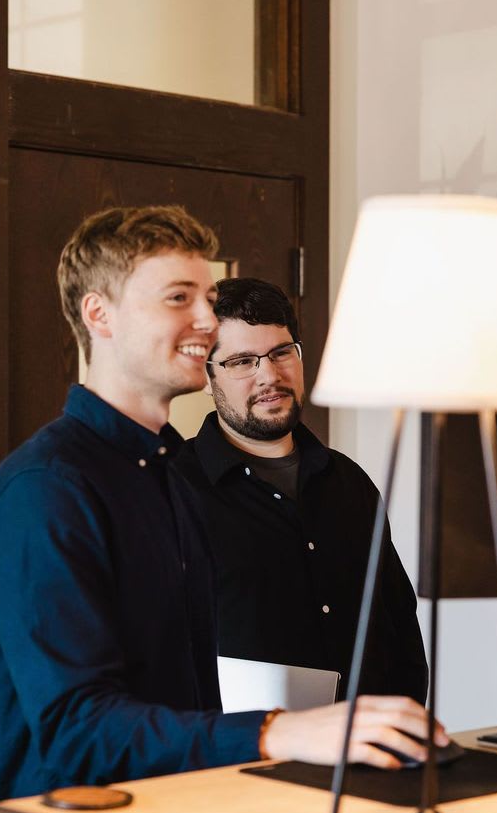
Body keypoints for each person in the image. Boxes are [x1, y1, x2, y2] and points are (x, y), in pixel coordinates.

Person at [0, 206, 445, 802]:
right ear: (99, 314)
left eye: (207, 296)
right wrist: (280, 732)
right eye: (178, 298)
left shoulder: (164, 474)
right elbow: (74, 734)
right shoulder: (43, 488)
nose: (204, 320)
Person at [176, 277, 428, 703]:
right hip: (239, 757)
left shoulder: (350, 482)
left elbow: (399, 625)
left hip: (366, 753)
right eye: (241, 361)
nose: (269, 376)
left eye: (281, 352)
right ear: (206, 375)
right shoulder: (173, 489)